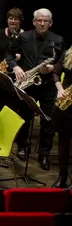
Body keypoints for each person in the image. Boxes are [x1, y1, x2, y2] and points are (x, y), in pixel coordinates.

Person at [6, 8, 66, 171]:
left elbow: (62, 62)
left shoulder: (58, 40)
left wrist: (53, 67)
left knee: (48, 120)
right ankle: (22, 146)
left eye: (46, 21)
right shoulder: (24, 37)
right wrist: (16, 67)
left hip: (48, 85)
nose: (42, 23)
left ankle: (44, 153)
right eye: (39, 20)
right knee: (24, 116)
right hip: (28, 83)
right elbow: (9, 54)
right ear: (34, 22)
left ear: (51, 23)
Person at [0, 8, 27, 158]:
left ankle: (18, 141)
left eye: (16, 19)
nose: (13, 21)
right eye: (11, 18)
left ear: (20, 21)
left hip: (17, 75)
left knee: (16, 108)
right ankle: (0, 137)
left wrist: (19, 57)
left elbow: (29, 55)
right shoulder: (0, 33)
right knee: (1, 105)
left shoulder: (25, 36)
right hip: (2, 73)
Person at [51, 47, 72, 188]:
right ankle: (62, 176)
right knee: (63, 143)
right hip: (65, 102)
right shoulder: (67, 53)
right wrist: (60, 89)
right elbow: (56, 73)